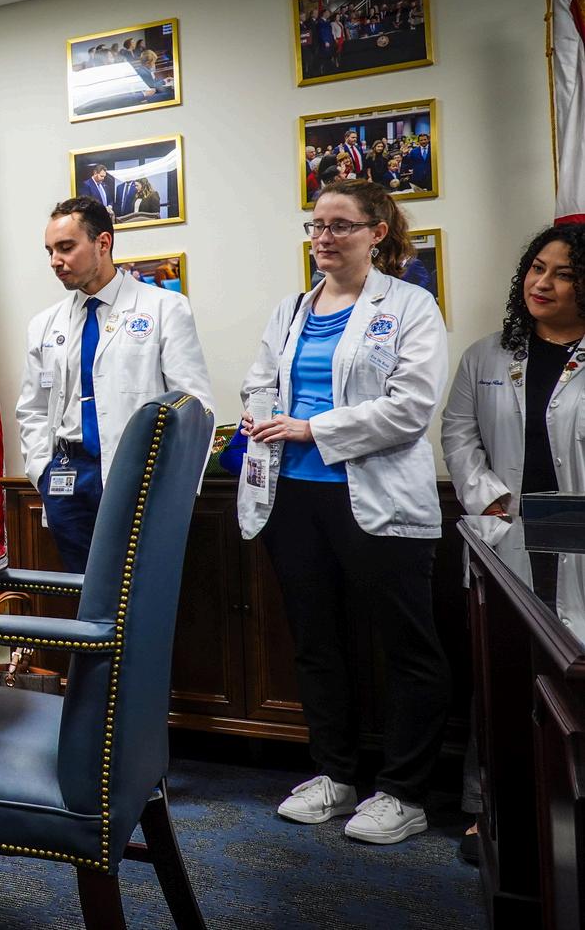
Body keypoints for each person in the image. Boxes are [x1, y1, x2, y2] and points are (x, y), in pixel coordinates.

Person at [239, 178, 450, 845]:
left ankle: (405, 793)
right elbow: (260, 379)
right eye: (316, 225)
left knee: (407, 647)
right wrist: (257, 413)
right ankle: (335, 775)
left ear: (376, 233)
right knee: (316, 642)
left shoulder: (410, 305)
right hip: (293, 497)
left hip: (377, 499)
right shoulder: (291, 309)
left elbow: (412, 407)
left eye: (339, 225)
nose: (323, 238)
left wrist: (311, 428)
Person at [442, 224, 585, 861]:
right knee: (503, 674)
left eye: (563, 273)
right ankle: (490, 811)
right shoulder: (488, 356)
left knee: (575, 681)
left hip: (578, 539)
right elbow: (458, 431)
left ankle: (570, 815)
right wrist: (488, 500)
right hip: (510, 538)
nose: (542, 283)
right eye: (536, 268)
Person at [16, 196, 214, 572]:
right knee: (84, 590)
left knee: (137, 590)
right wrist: (42, 471)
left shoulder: (164, 308)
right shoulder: (44, 325)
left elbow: (194, 407)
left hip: (139, 475)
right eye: (50, 251)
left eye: (66, 247)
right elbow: (32, 409)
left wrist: (176, 486)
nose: (55, 261)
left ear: (103, 243)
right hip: (67, 479)